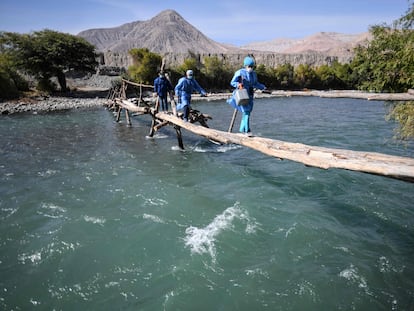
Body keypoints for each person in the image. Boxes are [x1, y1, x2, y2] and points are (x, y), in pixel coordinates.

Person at [227, 56, 266, 135]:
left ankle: (242, 129)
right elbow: (232, 82)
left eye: (252, 66)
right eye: (249, 66)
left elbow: (255, 84)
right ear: (245, 66)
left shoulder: (254, 74)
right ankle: (247, 130)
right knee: (246, 112)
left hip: (250, 95)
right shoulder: (240, 72)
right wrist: (238, 84)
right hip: (242, 95)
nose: (250, 68)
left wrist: (263, 87)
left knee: (247, 112)